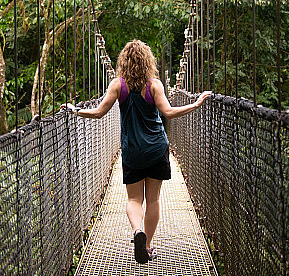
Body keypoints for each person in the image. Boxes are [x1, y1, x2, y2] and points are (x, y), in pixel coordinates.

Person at [66, 40, 211, 264]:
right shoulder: (155, 85)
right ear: (148, 61)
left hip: (132, 150)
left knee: (134, 198)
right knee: (152, 199)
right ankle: (148, 246)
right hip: (156, 148)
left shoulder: (117, 85)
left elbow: (97, 113)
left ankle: (137, 232)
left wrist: (75, 111)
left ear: (123, 62)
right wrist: (195, 105)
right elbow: (169, 112)